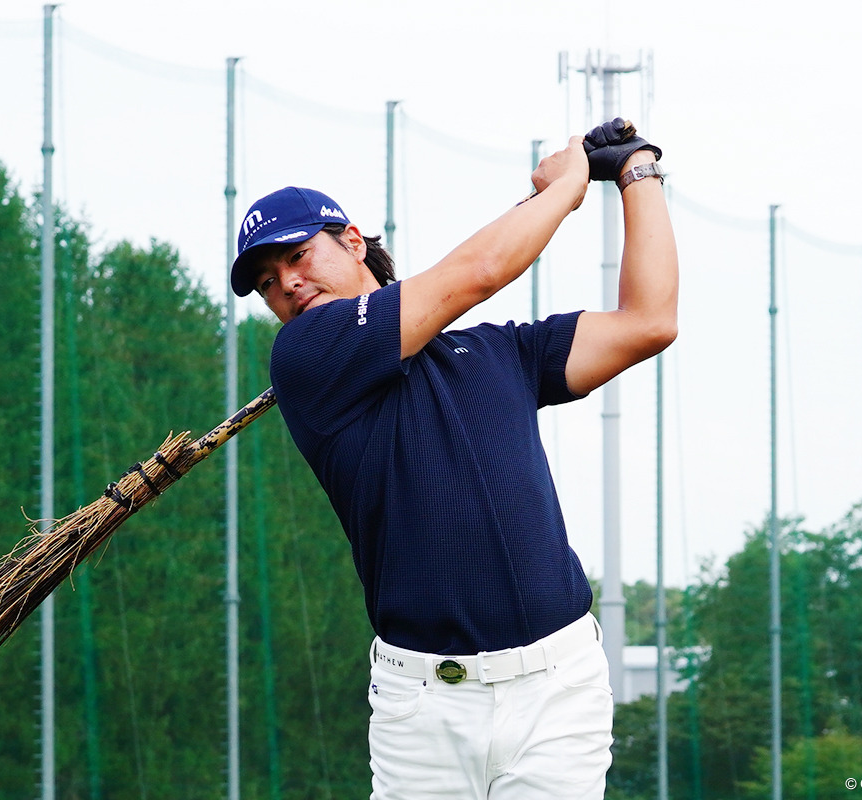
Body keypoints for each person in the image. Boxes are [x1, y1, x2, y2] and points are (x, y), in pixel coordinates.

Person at [229, 121, 678, 800]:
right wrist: (565, 187)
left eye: (296, 256)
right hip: (423, 713)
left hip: (556, 692)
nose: (286, 284)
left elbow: (650, 320)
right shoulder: (307, 357)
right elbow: (477, 272)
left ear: (353, 242)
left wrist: (637, 172)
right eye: (267, 281)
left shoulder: (500, 354)